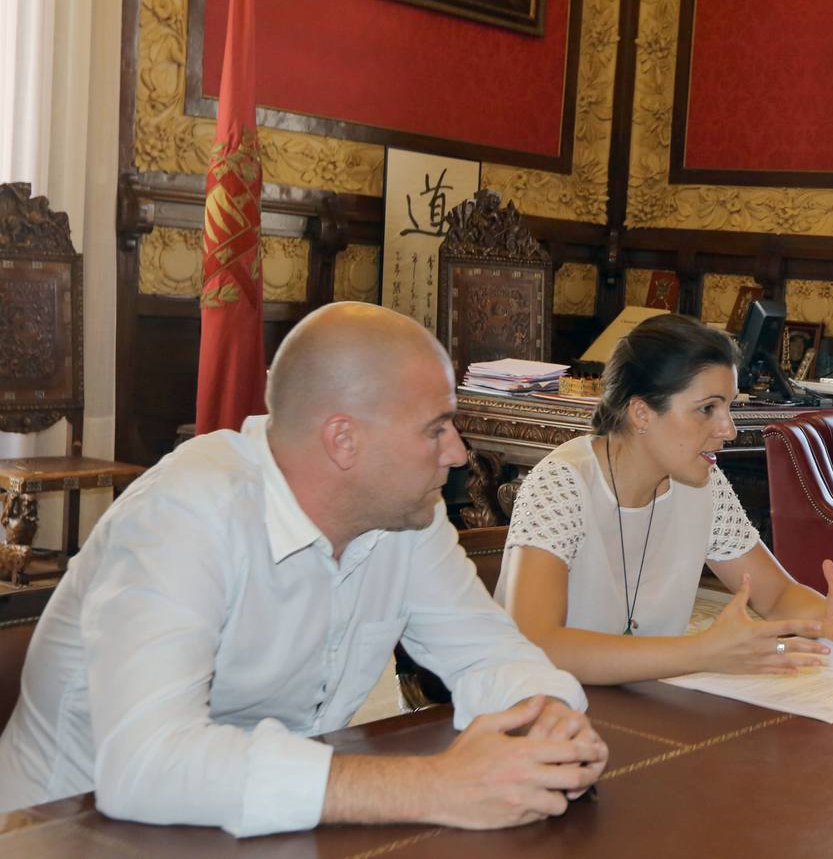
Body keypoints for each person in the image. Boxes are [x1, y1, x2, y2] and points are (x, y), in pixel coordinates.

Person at [0, 303, 607, 835]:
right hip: (64, 831)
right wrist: (438, 785)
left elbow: (489, 654)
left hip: (265, 828)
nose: (457, 452)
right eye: (436, 429)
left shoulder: (404, 517)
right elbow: (147, 766)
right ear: (343, 440)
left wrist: (549, 717)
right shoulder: (183, 515)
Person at [499, 313, 833, 684]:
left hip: (643, 703)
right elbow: (537, 643)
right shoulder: (561, 484)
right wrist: (702, 653)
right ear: (641, 413)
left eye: (728, 406)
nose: (729, 429)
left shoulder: (704, 485)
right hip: (538, 712)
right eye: (707, 408)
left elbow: (776, 595)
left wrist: (825, 615)